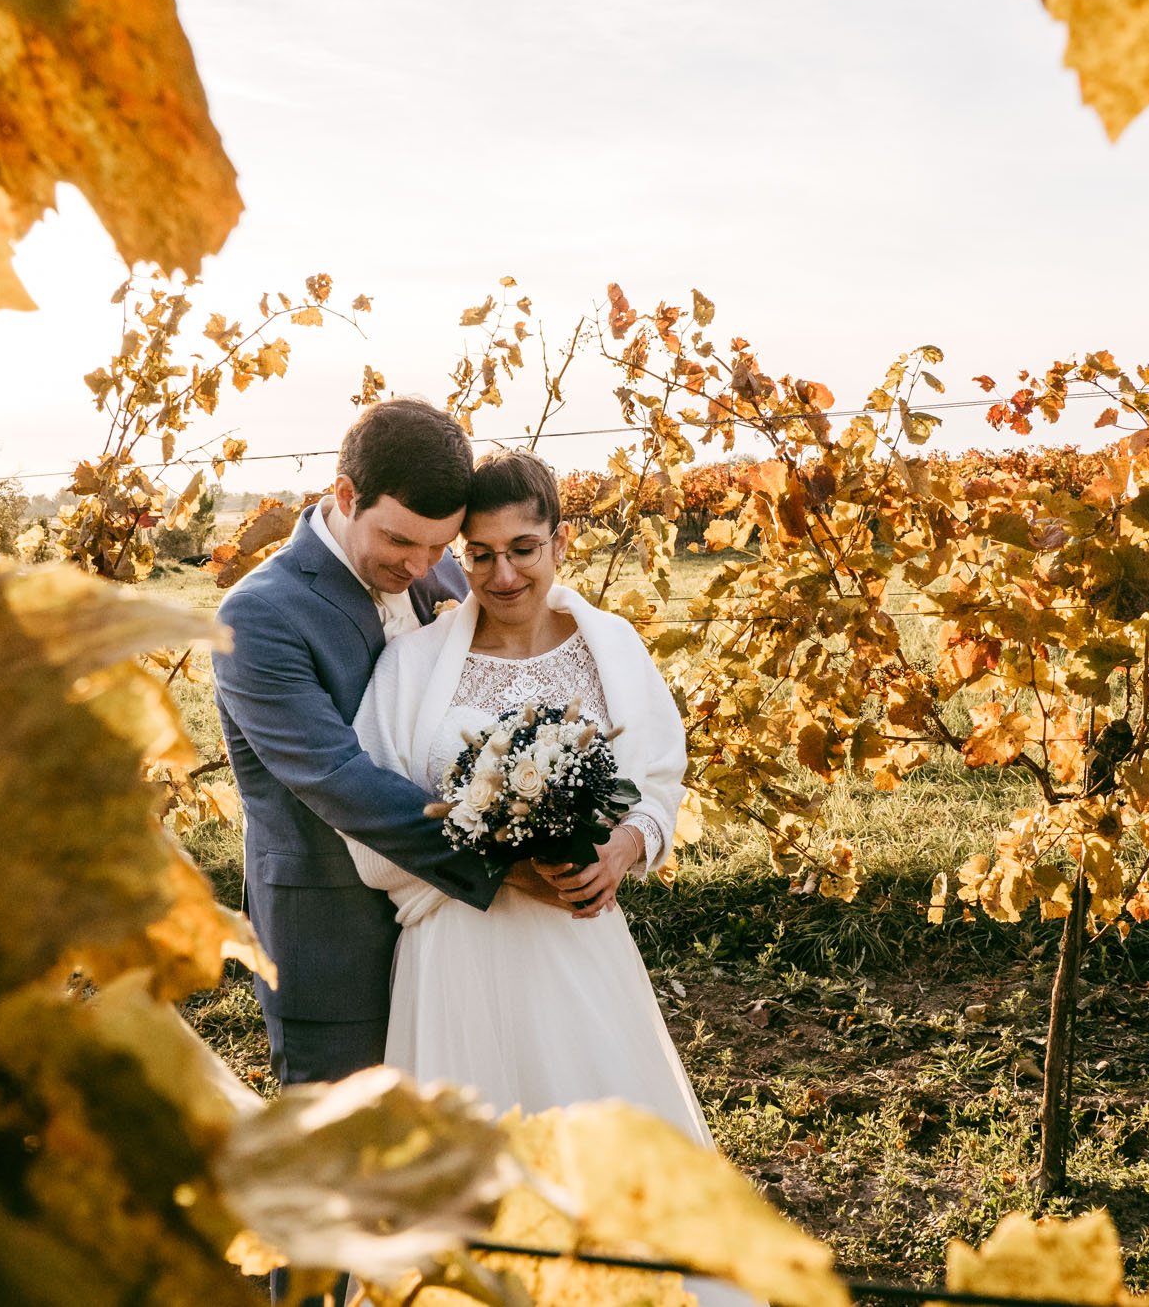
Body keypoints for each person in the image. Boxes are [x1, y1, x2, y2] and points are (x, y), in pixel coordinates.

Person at [345, 450, 757, 1305]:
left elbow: (659, 779)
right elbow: (374, 811)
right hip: (459, 948)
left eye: (523, 548)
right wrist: (495, 867)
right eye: (481, 553)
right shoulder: (416, 667)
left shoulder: (612, 648)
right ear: (459, 555)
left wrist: (625, 848)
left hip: (579, 944)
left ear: (559, 541)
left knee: (604, 1144)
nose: (503, 573)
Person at [213, 401, 572, 1088]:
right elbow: (335, 775)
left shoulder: (440, 580)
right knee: (343, 1163)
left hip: (457, 942)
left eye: (440, 546)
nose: (421, 564)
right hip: (335, 936)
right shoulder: (258, 616)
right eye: (401, 541)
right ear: (346, 495)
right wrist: (502, 863)